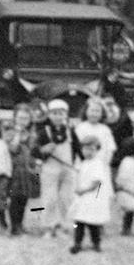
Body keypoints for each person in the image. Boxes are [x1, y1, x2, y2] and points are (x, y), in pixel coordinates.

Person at [34, 98, 79, 237]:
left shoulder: (70, 131)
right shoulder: (44, 132)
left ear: (66, 115)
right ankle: (48, 226)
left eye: (61, 113)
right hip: (50, 168)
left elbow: (77, 149)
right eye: (54, 113)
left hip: (67, 168)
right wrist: (43, 150)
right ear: (49, 115)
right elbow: (35, 151)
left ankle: (64, 226)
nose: (58, 116)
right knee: (50, 198)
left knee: (67, 198)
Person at [68, 135, 113, 254]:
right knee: (79, 222)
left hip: (92, 198)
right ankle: (77, 244)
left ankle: (96, 243)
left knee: (93, 223)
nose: (88, 152)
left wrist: (83, 190)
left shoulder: (97, 163)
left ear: (97, 150)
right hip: (83, 198)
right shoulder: (84, 163)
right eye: (85, 149)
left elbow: (96, 182)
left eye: (91, 149)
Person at [5, 109, 38, 236]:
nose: (23, 121)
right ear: (15, 118)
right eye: (20, 118)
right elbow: (12, 149)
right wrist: (18, 134)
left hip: (27, 170)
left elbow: (33, 151)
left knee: (24, 198)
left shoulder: (31, 134)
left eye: (25, 118)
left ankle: (20, 224)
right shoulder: (9, 132)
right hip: (14, 170)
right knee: (14, 199)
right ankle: (14, 227)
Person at [113, 136, 134, 235]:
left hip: (130, 192)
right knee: (131, 209)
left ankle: (127, 229)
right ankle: (126, 229)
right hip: (126, 192)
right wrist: (129, 190)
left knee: (131, 210)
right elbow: (122, 179)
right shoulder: (128, 162)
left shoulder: (131, 162)